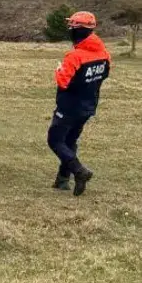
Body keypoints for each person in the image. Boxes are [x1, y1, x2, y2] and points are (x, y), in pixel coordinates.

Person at [48, 11, 111, 196]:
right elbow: (105, 75)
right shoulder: (104, 54)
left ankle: (79, 171)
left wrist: (59, 70)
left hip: (69, 106)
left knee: (55, 140)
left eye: (72, 27)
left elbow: (63, 82)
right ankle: (62, 180)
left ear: (77, 31)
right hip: (89, 105)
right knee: (70, 141)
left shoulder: (74, 57)